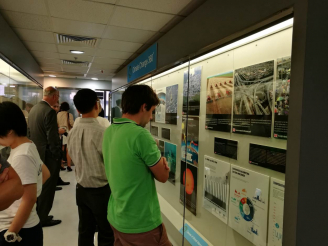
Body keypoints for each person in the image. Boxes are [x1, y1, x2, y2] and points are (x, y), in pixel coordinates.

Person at [103, 85, 171, 246]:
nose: (151, 117)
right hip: (140, 224)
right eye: (152, 111)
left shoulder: (110, 131)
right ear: (143, 107)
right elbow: (163, 176)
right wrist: (161, 160)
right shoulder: (141, 135)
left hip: (117, 216)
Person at [68, 89, 114, 246]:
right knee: (106, 232)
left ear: (78, 109)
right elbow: (110, 162)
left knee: (85, 230)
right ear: (97, 104)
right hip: (101, 190)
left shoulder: (72, 132)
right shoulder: (103, 132)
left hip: (81, 189)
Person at [0, 102, 50, 245]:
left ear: (9, 131)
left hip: (18, 229)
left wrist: (11, 233)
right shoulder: (28, 145)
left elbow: (29, 199)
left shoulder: (22, 156)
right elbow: (45, 173)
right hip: (24, 225)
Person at [28, 87, 62, 227]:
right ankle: (43, 217)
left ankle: (38, 213)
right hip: (48, 155)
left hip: (36, 153)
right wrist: (57, 155)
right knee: (48, 188)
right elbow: (52, 137)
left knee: (39, 186)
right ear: (54, 96)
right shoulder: (49, 111)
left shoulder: (34, 109)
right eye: (58, 96)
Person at [57, 102, 74, 172]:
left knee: (61, 149)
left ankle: (61, 165)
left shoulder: (58, 114)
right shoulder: (69, 115)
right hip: (67, 132)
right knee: (68, 149)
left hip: (60, 132)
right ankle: (69, 165)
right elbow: (71, 123)